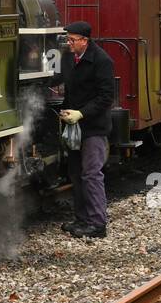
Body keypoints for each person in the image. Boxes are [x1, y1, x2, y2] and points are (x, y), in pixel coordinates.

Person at [50, 20, 116, 238]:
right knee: (76, 173)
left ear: (84, 40)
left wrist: (82, 113)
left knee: (91, 174)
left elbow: (106, 97)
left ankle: (98, 224)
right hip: (74, 125)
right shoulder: (70, 58)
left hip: (93, 127)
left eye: (72, 40)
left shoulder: (102, 61)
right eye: (67, 39)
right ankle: (81, 219)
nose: (69, 43)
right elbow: (59, 79)